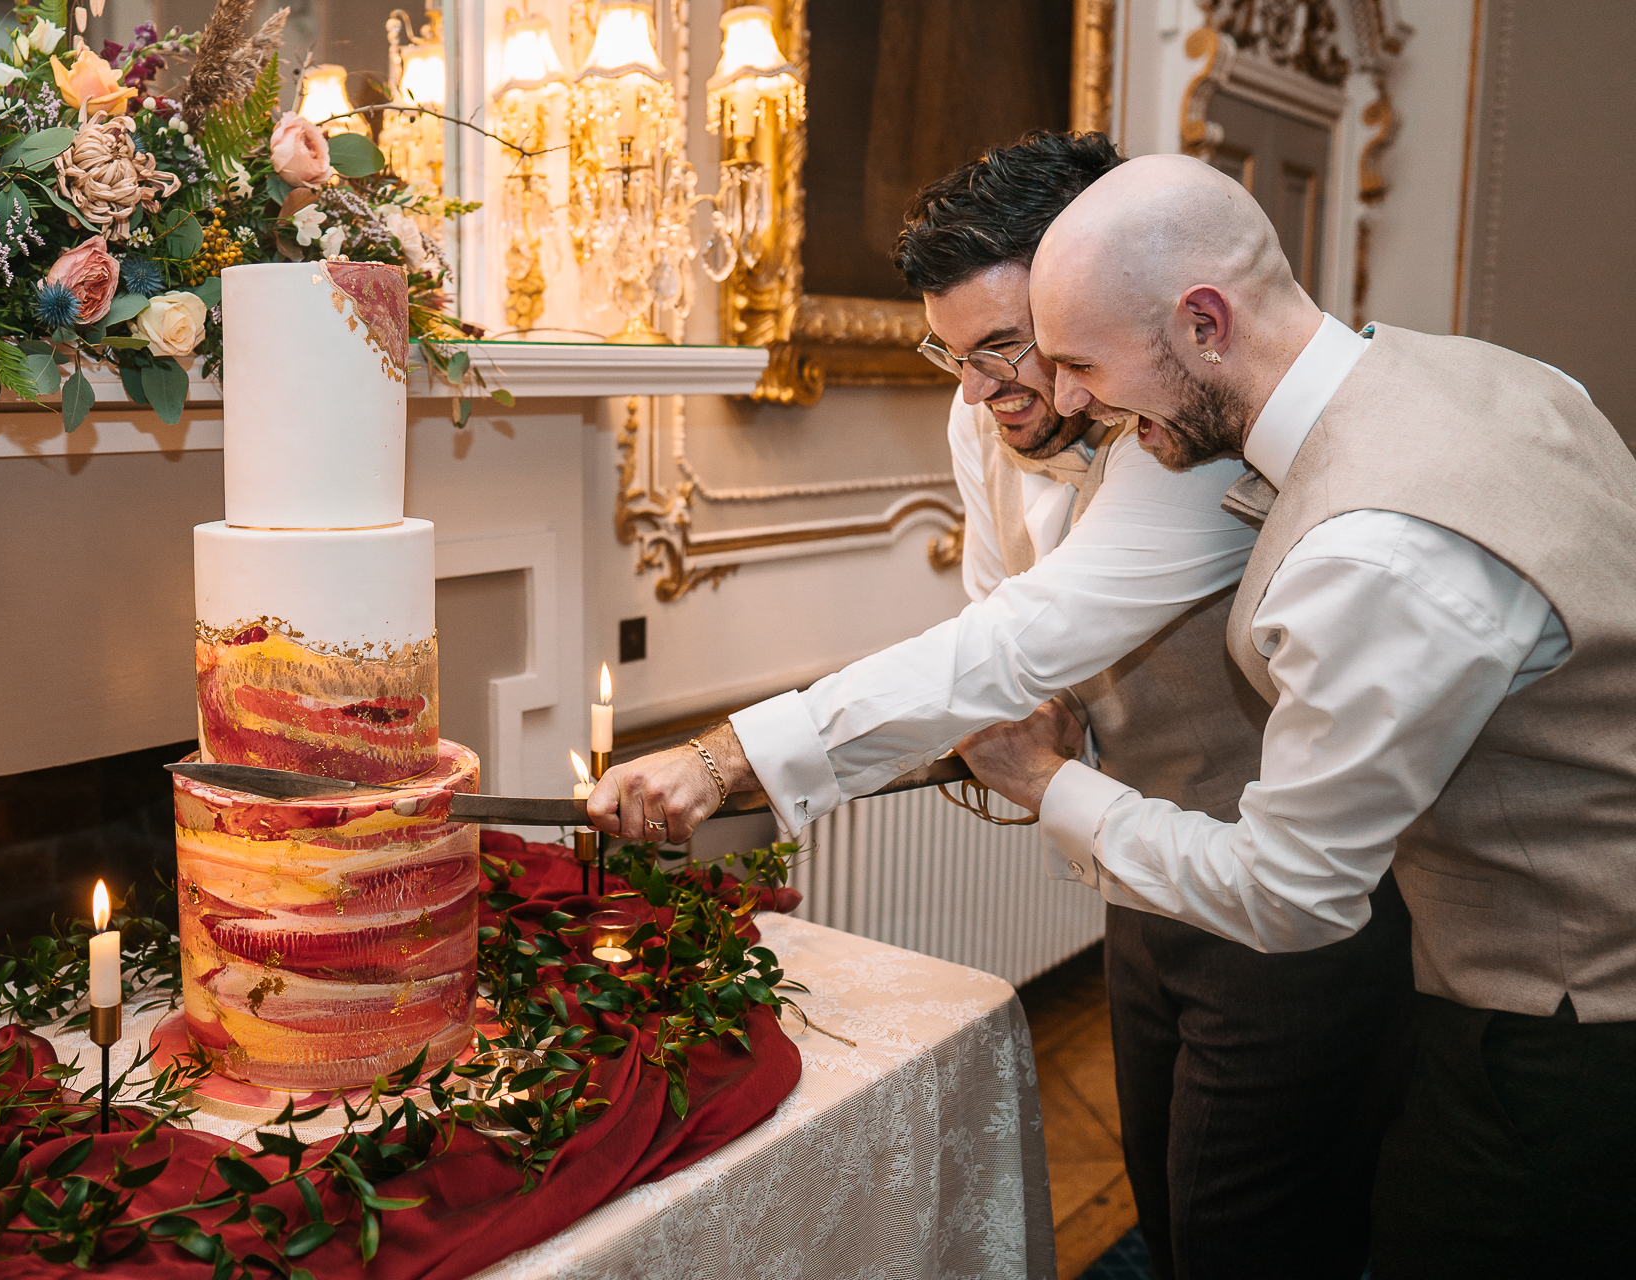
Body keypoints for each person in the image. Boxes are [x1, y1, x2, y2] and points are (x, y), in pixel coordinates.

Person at [591, 133, 1414, 1278]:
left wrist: (728, 757)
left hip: (1284, 900)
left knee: (1259, 1230)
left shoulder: (1191, 441)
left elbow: (1013, 641)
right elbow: (1007, 612)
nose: (979, 390)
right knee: (1169, 1202)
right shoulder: (985, 412)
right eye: (952, 352)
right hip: (1136, 873)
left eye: (1006, 348)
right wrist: (1040, 717)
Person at [954, 152, 1635, 1276]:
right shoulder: (1495, 376)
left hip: (1561, 1026)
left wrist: (1045, 782)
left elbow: (1293, 889)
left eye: (1079, 361)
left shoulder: (1375, 548)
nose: (1068, 400)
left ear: (1204, 322)